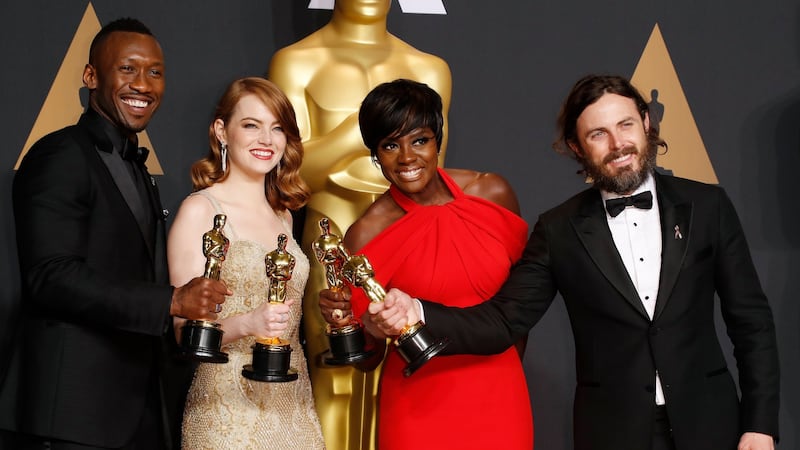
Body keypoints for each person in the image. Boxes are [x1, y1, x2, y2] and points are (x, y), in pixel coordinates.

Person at [370, 74, 780, 450]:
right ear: (576, 147)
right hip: (612, 433)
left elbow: (751, 323)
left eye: (626, 125)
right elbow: (502, 322)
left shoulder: (708, 206)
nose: (618, 144)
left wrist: (759, 425)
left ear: (646, 124)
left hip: (713, 427)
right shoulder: (560, 228)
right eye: (598, 134)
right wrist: (418, 311)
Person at [0, 18, 228, 450]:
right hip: (68, 417)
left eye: (155, 72)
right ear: (91, 76)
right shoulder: (59, 155)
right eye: (128, 69)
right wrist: (172, 300)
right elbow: (50, 276)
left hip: (133, 412)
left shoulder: (137, 168)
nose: (143, 84)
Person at [267, 1, 452, 446]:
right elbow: (291, 174)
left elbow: (430, 174)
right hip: (332, 233)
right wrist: (355, 132)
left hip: (412, 235)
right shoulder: (297, 62)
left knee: (411, 373)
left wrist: (339, 156)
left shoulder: (429, 68)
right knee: (339, 373)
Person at [317, 79, 533, 450]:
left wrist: (503, 364)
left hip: (501, 393)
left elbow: (522, 307)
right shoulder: (364, 234)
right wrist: (353, 324)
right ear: (375, 153)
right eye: (389, 145)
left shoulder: (492, 194)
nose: (406, 158)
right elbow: (368, 360)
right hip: (418, 406)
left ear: (438, 140)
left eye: (419, 140)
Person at [166, 77, 325, 449]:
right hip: (227, 411)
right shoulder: (201, 210)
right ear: (221, 131)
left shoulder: (284, 216)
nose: (266, 140)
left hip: (293, 407)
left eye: (277, 128)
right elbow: (181, 331)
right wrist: (248, 323)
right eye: (251, 125)